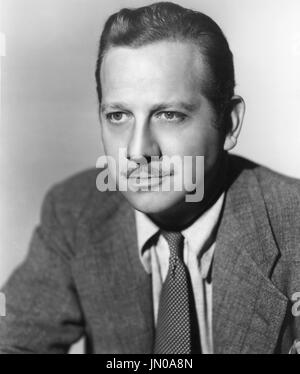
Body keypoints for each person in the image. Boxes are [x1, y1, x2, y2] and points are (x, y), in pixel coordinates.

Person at [0, 1, 300, 354]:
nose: (138, 150)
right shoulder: (74, 212)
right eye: (118, 115)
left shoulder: (293, 223)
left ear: (230, 123)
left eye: (169, 115)